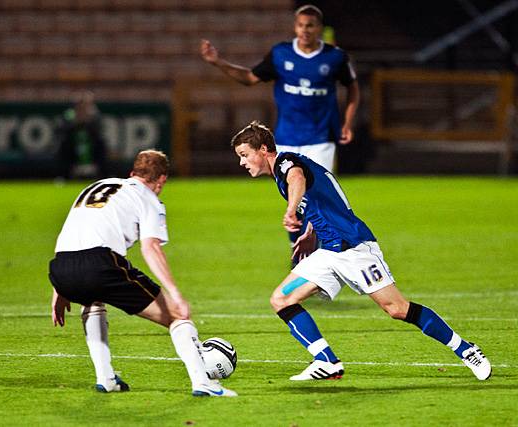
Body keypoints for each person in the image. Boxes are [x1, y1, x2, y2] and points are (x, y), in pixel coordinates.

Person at [230, 121, 491, 381]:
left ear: (264, 149)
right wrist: (310, 233)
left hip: (353, 247)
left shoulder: (286, 162)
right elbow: (320, 201)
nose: (242, 162)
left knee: (397, 309)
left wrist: (290, 210)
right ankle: (327, 360)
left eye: (245, 155)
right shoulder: (280, 174)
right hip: (328, 251)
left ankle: (466, 350)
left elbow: (297, 179)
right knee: (281, 299)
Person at [48, 150, 237, 397]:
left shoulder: (99, 185)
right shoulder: (148, 198)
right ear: (161, 181)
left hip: (60, 265)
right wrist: (175, 293)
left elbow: (74, 230)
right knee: (177, 315)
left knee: (92, 301)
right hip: (100, 263)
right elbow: (151, 247)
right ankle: (203, 383)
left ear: (132, 173)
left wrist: (59, 288)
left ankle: (106, 378)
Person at [200, 4, 359, 173]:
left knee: (316, 190)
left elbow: (352, 87)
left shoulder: (335, 56)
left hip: (321, 139)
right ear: (295, 27)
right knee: (291, 190)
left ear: (319, 28)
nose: (305, 30)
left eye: (310, 25)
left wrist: (347, 123)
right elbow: (249, 78)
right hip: (286, 137)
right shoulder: (280, 54)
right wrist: (218, 62)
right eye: (301, 25)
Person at [55, 90, 108, 179]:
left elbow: (99, 140)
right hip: (72, 160)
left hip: (92, 161)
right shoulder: (68, 117)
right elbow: (62, 136)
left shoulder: (95, 118)